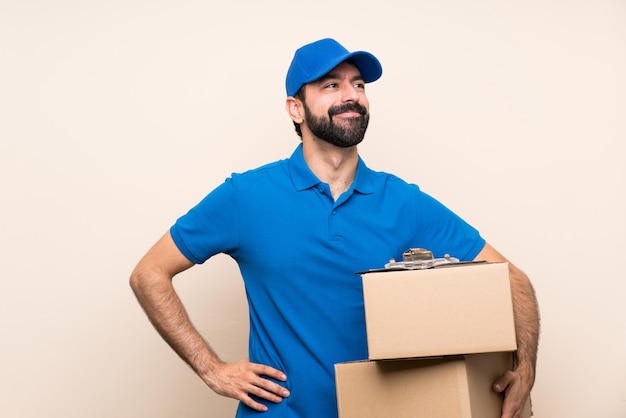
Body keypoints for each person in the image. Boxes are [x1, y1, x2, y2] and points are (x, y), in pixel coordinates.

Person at [130, 38, 539, 418]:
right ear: (295, 108)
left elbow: (512, 280)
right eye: (331, 85)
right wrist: (212, 369)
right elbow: (149, 274)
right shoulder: (246, 196)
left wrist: (525, 370)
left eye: (358, 85)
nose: (351, 95)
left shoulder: (403, 201)